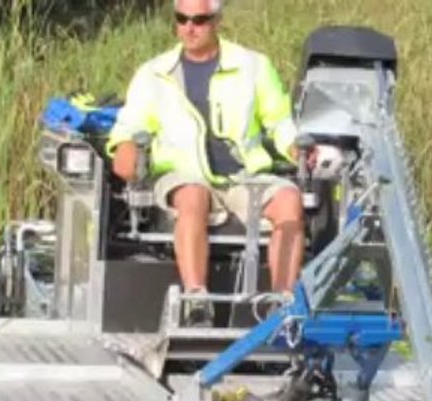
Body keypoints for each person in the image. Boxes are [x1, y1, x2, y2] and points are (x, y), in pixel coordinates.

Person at [106, 0, 308, 326]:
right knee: (193, 196)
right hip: (183, 174)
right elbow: (129, 126)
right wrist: (125, 149)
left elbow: (280, 121)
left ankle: (281, 304)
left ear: (216, 21)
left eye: (199, 20)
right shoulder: (153, 74)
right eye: (181, 19)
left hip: (244, 178)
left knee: (289, 199)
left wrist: (297, 148)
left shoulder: (254, 66)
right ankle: (197, 302)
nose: (189, 28)